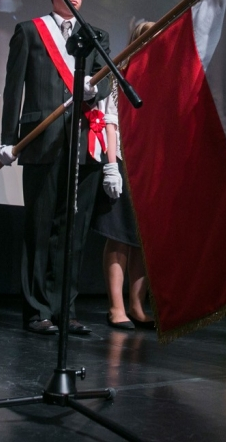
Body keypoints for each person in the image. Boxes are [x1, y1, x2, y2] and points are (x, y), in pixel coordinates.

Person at [0, 0, 111, 335]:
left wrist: (98, 90)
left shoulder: (96, 36)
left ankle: (66, 308)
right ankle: (37, 310)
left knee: (73, 231)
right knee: (39, 227)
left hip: (82, 144)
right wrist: (8, 139)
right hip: (41, 142)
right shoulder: (30, 32)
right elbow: (14, 88)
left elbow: (105, 82)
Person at [93, 20, 155, 330]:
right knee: (118, 238)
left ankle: (136, 305)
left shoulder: (162, 79)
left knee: (140, 240)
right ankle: (116, 307)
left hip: (148, 166)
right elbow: (110, 123)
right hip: (122, 163)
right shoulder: (120, 77)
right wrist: (112, 165)